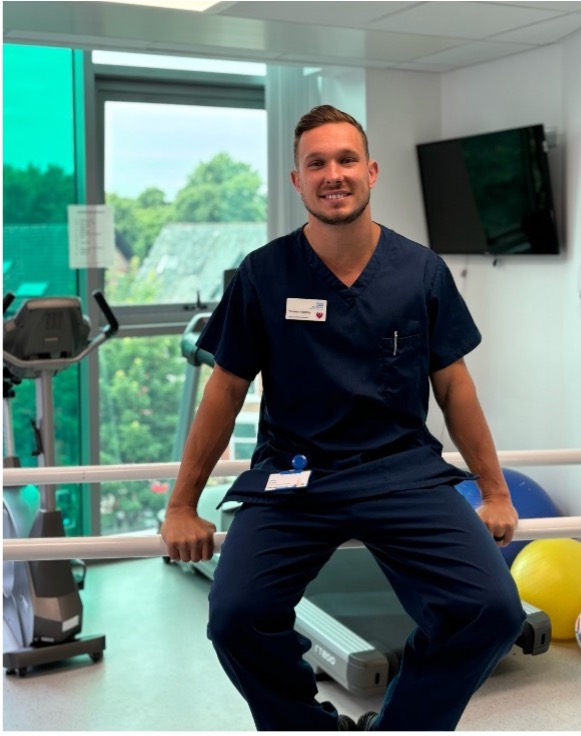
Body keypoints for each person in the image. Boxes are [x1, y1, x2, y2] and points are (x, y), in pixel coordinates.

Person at [161, 105, 525, 732]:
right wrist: (181, 505)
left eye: (346, 159)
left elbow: (454, 386)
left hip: (401, 473)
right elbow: (224, 390)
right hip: (294, 476)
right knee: (236, 617)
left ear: (371, 171)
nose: (334, 173)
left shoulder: (421, 271)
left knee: (492, 610)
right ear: (297, 180)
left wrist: (494, 492)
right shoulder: (263, 274)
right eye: (317, 163)